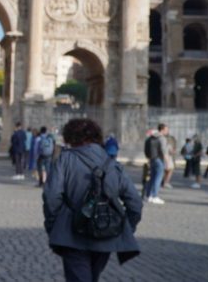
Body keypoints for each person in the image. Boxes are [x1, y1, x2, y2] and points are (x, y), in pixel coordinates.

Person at [43, 118, 141, 282]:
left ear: (71, 137)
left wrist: (54, 226)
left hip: (71, 233)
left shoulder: (64, 160)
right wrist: (124, 228)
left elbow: (51, 197)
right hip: (105, 234)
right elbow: (135, 202)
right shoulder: (114, 165)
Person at [144, 123, 168, 204]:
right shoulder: (162, 138)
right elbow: (164, 150)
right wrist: (167, 161)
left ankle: (148, 195)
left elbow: (146, 147)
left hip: (152, 158)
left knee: (152, 177)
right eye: (166, 130)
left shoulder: (151, 137)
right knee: (158, 178)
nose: (167, 131)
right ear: (162, 129)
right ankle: (154, 196)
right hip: (159, 159)